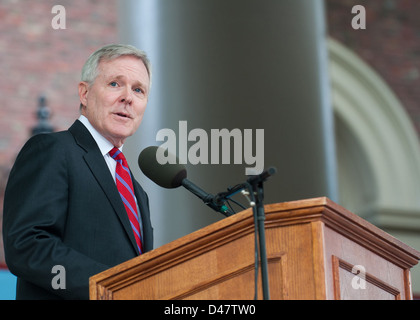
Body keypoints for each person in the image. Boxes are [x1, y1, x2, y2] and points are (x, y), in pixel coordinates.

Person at [2, 44, 154, 300]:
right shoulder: (52, 150)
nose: (128, 97)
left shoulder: (137, 191)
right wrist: (111, 289)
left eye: (138, 89)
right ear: (84, 93)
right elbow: (27, 245)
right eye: (115, 84)